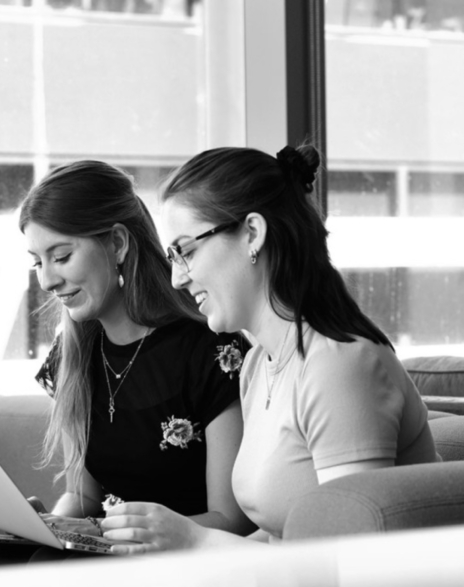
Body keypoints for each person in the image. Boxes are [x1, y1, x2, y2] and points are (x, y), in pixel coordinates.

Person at [0, 160, 251, 575]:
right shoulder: (73, 354)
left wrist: (116, 538)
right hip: (99, 548)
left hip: (173, 558)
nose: (46, 280)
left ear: (117, 243)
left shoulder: (214, 350)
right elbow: (83, 498)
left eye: (60, 256)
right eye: (37, 262)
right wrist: (48, 523)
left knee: (45, 567)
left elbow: (231, 521)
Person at [100, 144, 440, 553]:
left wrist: (194, 541)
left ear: (253, 234)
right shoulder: (259, 364)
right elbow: (281, 535)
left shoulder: (340, 366)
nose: (177, 279)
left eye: (186, 251)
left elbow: (350, 561)